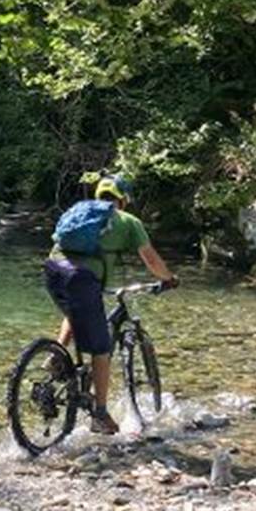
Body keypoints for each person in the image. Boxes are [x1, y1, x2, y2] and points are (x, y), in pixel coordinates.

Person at [45, 173, 177, 434]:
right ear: (123, 200)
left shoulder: (78, 211)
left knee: (76, 311)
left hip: (52, 270)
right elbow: (150, 260)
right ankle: (100, 415)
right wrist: (169, 279)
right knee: (102, 347)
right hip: (82, 278)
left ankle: (57, 354)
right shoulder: (128, 221)